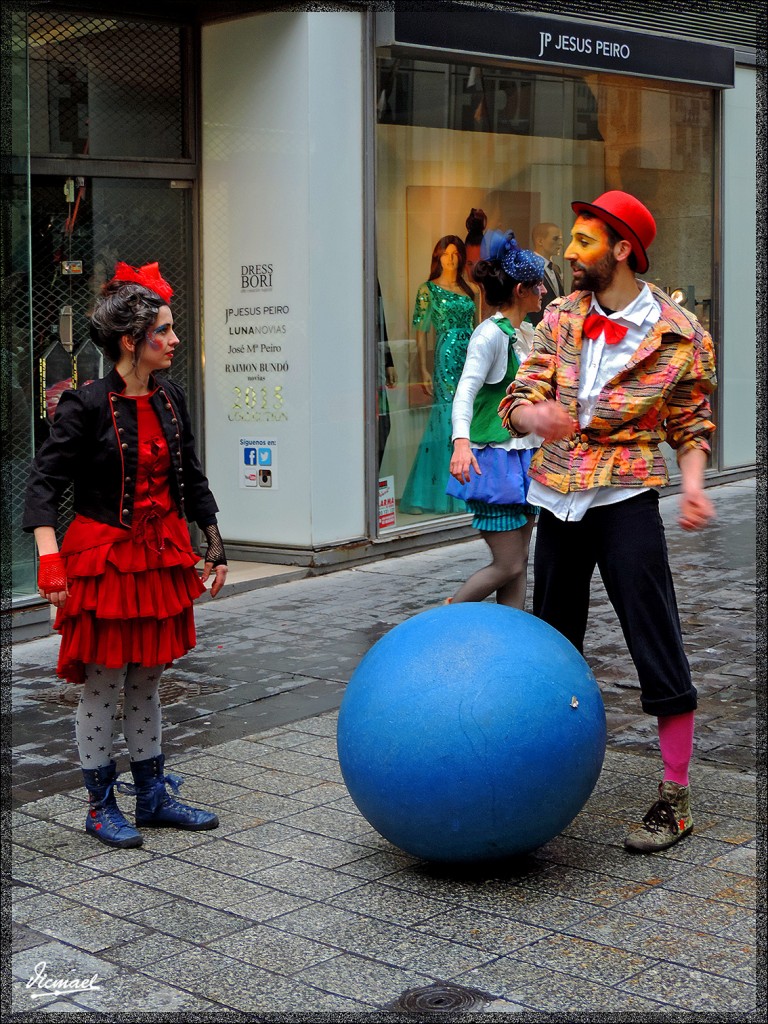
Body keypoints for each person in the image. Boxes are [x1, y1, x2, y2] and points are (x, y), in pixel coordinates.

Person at [499, 190, 717, 854]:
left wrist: (695, 486)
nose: (568, 251)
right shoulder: (560, 315)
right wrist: (532, 418)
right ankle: (542, 780)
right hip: (558, 500)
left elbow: (691, 423)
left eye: (584, 240)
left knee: (656, 639)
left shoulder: (680, 335)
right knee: (552, 647)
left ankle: (674, 799)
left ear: (622, 250)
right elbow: (521, 395)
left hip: (625, 501)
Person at [23, 261, 228, 849]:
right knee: (103, 683)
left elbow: (189, 475)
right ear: (129, 342)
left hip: (159, 556)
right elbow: (43, 484)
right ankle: (98, 804)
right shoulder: (84, 406)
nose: (174, 340)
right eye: (163, 331)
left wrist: (212, 541)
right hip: (104, 559)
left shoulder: (171, 397)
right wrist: (49, 557)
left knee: (147, 679)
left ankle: (154, 796)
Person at [445, 234, 545, 607]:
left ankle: (511, 636)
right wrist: (460, 442)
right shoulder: (489, 335)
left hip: (524, 457)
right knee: (508, 563)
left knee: (519, 564)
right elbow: (466, 391)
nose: (543, 292)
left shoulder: (526, 333)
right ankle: (450, 614)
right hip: (494, 459)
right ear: (521, 290)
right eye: (537, 286)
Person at [400, 236, 476, 515]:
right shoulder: (428, 290)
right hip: (445, 355)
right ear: (438, 257)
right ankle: (437, 493)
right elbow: (420, 331)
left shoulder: (470, 289)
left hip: (470, 355)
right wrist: (423, 369)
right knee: (445, 420)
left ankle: (468, 488)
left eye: (456, 253)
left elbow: (475, 326)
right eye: (446, 253)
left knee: (469, 416)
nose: (451, 258)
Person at [528, 222, 565, 327]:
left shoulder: (556, 269)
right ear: (540, 241)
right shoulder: (530, 267)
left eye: (561, 239)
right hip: (536, 328)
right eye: (555, 238)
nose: (561, 243)